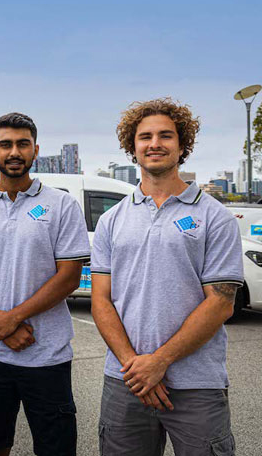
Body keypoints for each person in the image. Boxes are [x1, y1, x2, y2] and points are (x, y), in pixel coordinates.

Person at [91, 98, 243, 456]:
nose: (154, 144)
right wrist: (136, 367)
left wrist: (159, 362)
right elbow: (101, 300)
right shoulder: (111, 220)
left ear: (182, 145)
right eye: (145, 137)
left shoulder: (215, 217)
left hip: (196, 384)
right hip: (126, 379)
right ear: (132, 147)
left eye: (165, 136)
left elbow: (220, 303)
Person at [0, 112, 90, 456]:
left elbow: (69, 276)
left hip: (48, 355)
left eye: (23, 144)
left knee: (56, 449)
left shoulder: (62, 205)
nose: (14, 152)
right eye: (6, 144)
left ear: (35, 149)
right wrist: (1, 328)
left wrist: (13, 318)